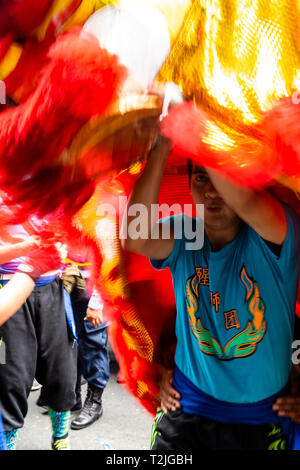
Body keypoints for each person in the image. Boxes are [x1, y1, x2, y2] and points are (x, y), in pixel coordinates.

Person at [121, 130, 300, 450]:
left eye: (223, 177)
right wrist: (162, 147)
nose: (212, 192)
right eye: (200, 178)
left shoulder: (275, 234)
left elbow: (243, 200)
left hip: (262, 421)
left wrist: (197, 124)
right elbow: (134, 236)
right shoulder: (185, 231)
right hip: (188, 410)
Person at [0, 225, 77, 450]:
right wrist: (25, 249)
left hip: (53, 288)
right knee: (10, 379)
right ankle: (7, 443)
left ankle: (61, 438)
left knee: (62, 373)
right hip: (8, 290)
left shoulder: (53, 193)